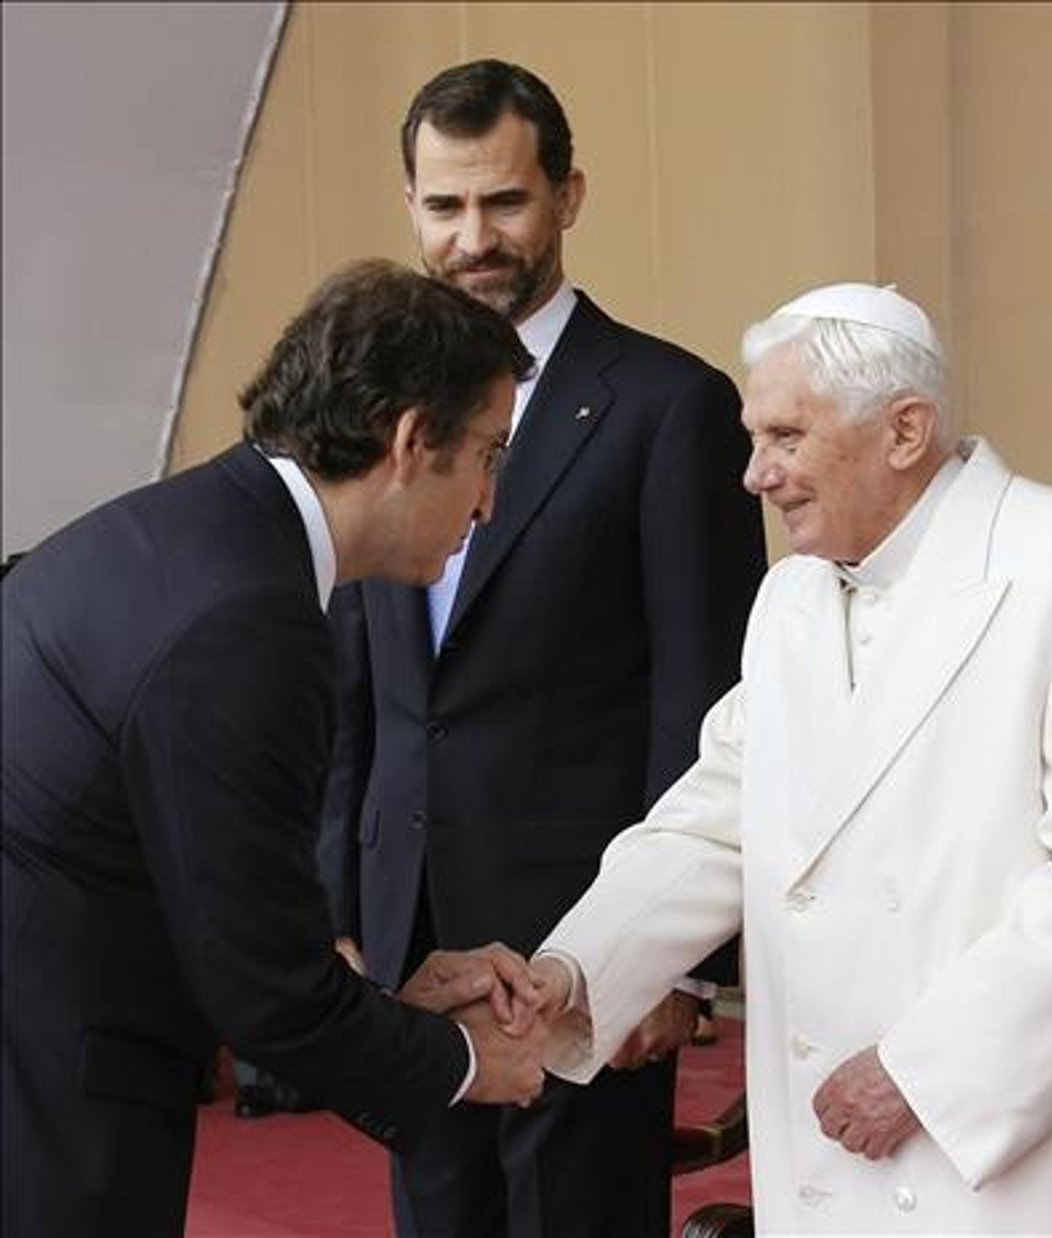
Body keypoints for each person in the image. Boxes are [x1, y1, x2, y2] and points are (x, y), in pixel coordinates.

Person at [535, 282, 1052, 1235]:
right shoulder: (790, 599)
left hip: (1016, 1145)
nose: (754, 475)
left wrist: (925, 1072)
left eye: (785, 438)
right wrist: (571, 971)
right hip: (833, 1152)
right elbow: (714, 821)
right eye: (754, 439)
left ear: (905, 430)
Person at [1, 259, 551, 1238]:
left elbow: (218, 892)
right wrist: (469, 1062)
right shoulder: (248, 619)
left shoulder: (194, 525)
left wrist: (378, 1002)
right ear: (410, 441)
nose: (487, 506)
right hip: (49, 1097)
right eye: (488, 455)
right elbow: (265, 989)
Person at [318, 60, 766, 1238]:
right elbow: (355, 687)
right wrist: (340, 901)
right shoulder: (375, 409)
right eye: (444, 206)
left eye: (504, 201)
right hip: (408, 933)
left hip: (587, 938)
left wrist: (671, 960)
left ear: (569, 196)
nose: (473, 239)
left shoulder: (670, 405)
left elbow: (705, 697)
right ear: (411, 207)